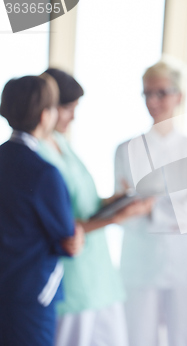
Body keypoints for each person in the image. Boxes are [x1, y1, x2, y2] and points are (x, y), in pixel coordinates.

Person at [37, 68, 153, 346]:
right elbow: (60, 224)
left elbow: (81, 202)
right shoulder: (38, 155)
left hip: (100, 278)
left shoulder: (62, 144)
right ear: (48, 107)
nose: (73, 117)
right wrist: (118, 217)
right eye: (68, 109)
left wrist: (110, 202)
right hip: (74, 279)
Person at [114, 59, 187, 346]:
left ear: (178, 96)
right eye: (147, 93)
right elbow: (123, 211)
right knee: (139, 338)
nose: (153, 101)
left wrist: (150, 207)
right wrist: (157, 209)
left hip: (184, 265)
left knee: (184, 338)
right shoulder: (125, 150)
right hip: (139, 262)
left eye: (161, 92)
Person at [0, 75, 84, 345]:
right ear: (45, 115)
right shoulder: (43, 172)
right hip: (30, 294)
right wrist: (77, 235)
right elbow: (66, 239)